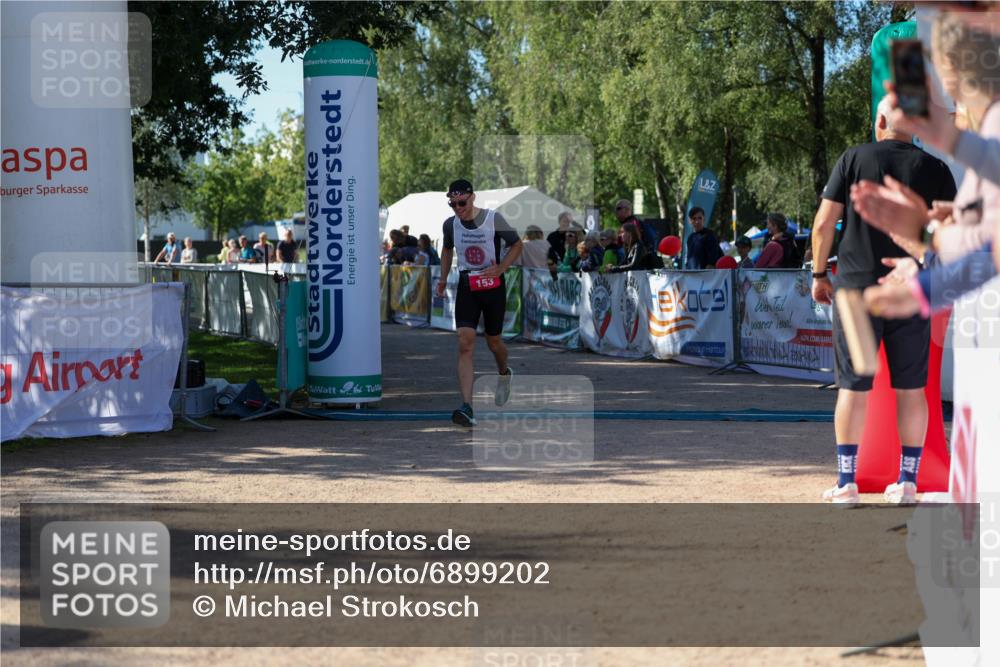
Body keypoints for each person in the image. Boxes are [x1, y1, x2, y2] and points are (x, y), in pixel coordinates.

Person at [811, 95, 957, 506]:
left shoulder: (852, 158)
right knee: (912, 389)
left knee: (853, 389)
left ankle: (847, 483)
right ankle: (908, 483)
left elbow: (824, 224)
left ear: (879, 119)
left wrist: (819, 274)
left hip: (857, 290)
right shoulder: (937, 169)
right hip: (910, 290)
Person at [435, 179, 523, 427]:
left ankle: (504, 373)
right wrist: (442, 279)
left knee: (494, 342)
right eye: (452, 204)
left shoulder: (493, 219)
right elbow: (447, 249)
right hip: (467, 284)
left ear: (473, 198)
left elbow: (517, 244)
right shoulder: (450, 224)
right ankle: (467, 407)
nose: (457, 208)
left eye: (461, 202)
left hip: (492, 284)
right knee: (465, 343)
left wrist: (502, 268)